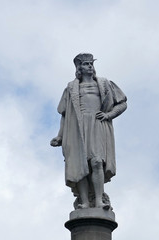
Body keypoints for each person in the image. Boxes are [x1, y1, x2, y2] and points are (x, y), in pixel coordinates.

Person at [50, 53, 127, 210]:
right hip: (77, 128)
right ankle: (84, 201)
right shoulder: (71, 88)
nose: (90, 66)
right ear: (79, 68)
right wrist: (60, 135)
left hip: (97, 125)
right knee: (80, 164)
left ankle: (99, 200)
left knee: (97, 162)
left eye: (91, 64)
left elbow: (122, 103)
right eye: (86, 64)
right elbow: (65, 115)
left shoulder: (105, 83)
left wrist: (108, 115)